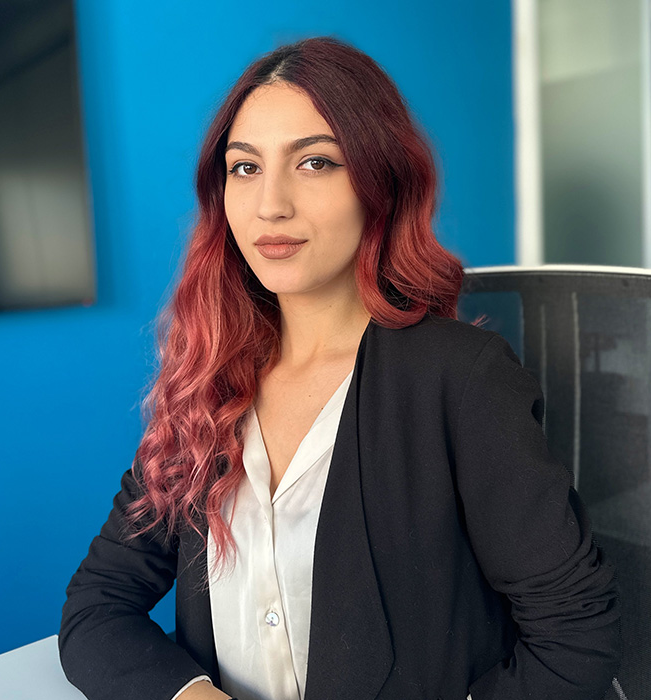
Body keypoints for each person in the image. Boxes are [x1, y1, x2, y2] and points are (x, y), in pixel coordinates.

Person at [59, 36, 621, 700]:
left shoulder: (460, 379)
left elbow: (574, 638)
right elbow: (96, 608)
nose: (271, 203)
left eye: (315, 162)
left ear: (380, 182)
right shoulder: (211, 384)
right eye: (245, 168)